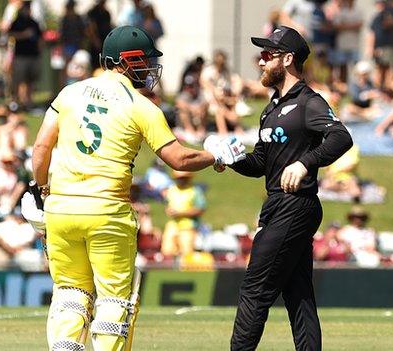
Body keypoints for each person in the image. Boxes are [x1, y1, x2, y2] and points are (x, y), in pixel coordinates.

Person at [21, 25, 245, 351]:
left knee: (70, 292)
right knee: (115, 299)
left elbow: (41, 149)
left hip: (62, 209)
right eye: (146, 62)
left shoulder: (70, 92)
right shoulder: (141, 106)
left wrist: (43, 192)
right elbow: (179, 159)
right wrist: (217, 155)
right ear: (129, 61)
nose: (151, 69)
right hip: (108, 211)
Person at [226, 26, 353, 351]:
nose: (260, 62)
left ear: (287, 59)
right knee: (299, 295)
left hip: (295, 206)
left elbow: (341, 137)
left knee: (255, 289)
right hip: (279, 205)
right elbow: (260, 165)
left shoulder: (308, 102)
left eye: (267, 55)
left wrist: (306, 163)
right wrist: (231, 157)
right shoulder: (270, 109)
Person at [160, 170, 206, 258]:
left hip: (188, 226)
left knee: (186, 253)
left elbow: (200, 209)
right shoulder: (172, 189)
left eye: (184, 178)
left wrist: (181, 213)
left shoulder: (195, 191)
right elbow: (167, 204)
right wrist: (169, 210)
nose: (181, 180)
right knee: (167, 251)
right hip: (173, 224)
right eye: (179, 178)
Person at [8, 1, 43, 109]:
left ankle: (28, 101)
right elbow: (10, 34)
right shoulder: (17, 22)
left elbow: (40, 38)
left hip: (33, 55)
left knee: (30, 80)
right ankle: (15, 101)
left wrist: (40, 51)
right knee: (17, 79)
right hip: (20, 56)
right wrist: (23, 35)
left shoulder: (34, 23)